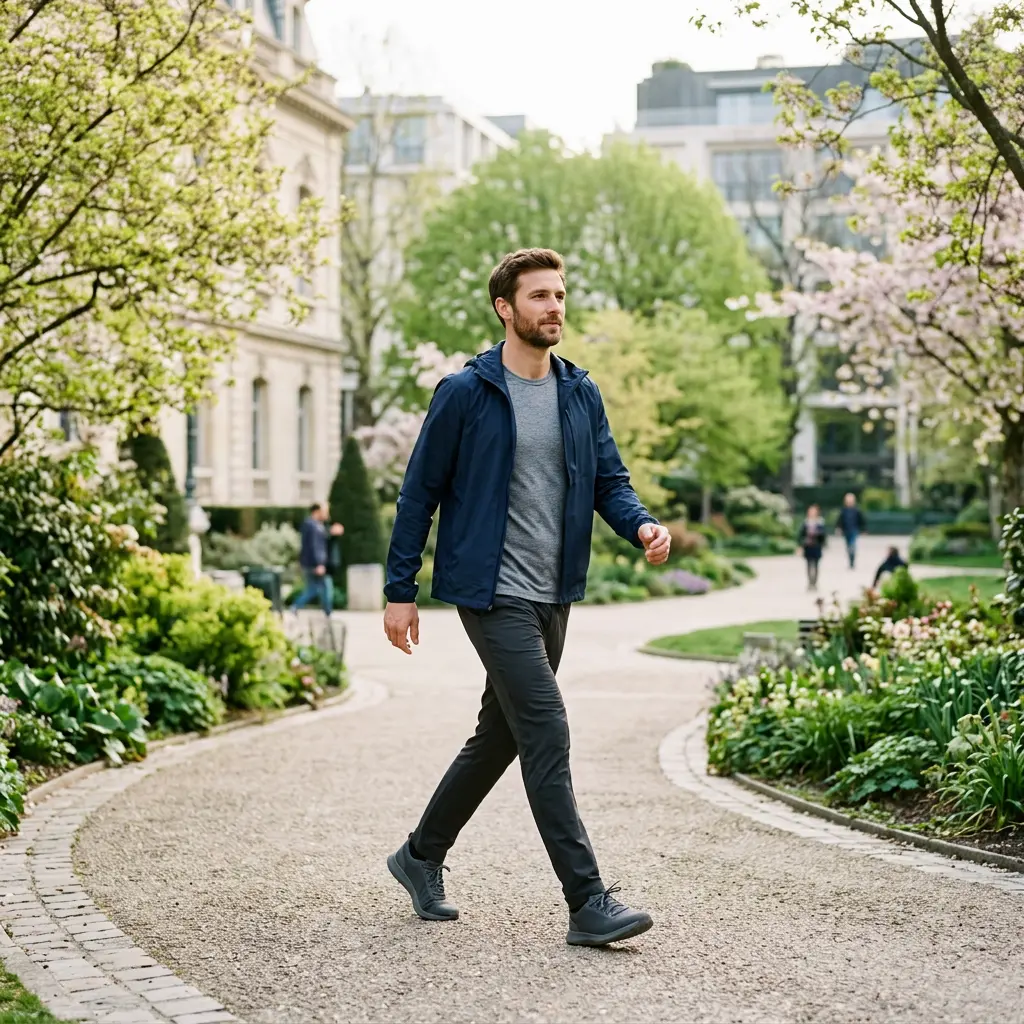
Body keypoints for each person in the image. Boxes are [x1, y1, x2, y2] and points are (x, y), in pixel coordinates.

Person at [382, 248, 671, 948]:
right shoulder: (465, 392)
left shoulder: (579, 392)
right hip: (491, 593)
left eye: (560, 295)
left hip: (553, 592)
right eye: (539, 296)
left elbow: (608, 479)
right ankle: (588, 901)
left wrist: (640, 524)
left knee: (501, 735)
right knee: (545, 728)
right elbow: (419, 493)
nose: (554, 307)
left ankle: (420, 854)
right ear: (505, 308)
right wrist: (399, 591)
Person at [293, 503, 343, 617]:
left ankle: (326, 612)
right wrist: (319, 564)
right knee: (318, 588)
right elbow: (316, 547)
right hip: (314, 564)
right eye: (324, 511)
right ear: (317, 511)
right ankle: (297, 606)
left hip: (311, 564)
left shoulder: (313, 525)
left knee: (319, 588)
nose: (327, 514)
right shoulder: (313, 527)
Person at [798, 504, 827, 590]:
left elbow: (824, 535)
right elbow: (801, 535)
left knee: (816, 565)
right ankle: (810, 582)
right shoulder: (805, 523)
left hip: (816, 546)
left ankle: (814, 582)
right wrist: (800, 545)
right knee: (809, 564)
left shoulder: (820, 522)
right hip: (808, 546)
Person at [836, 492, 866, 569]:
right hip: (846, 530)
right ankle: (850, 560)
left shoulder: (857, 510)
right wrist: (839, 528)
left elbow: (861, 520)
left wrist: (863, 529)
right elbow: (840, 520)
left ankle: (852, 560)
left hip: (854, 530)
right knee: (848, 546)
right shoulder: (843, 510)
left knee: (852, 545)